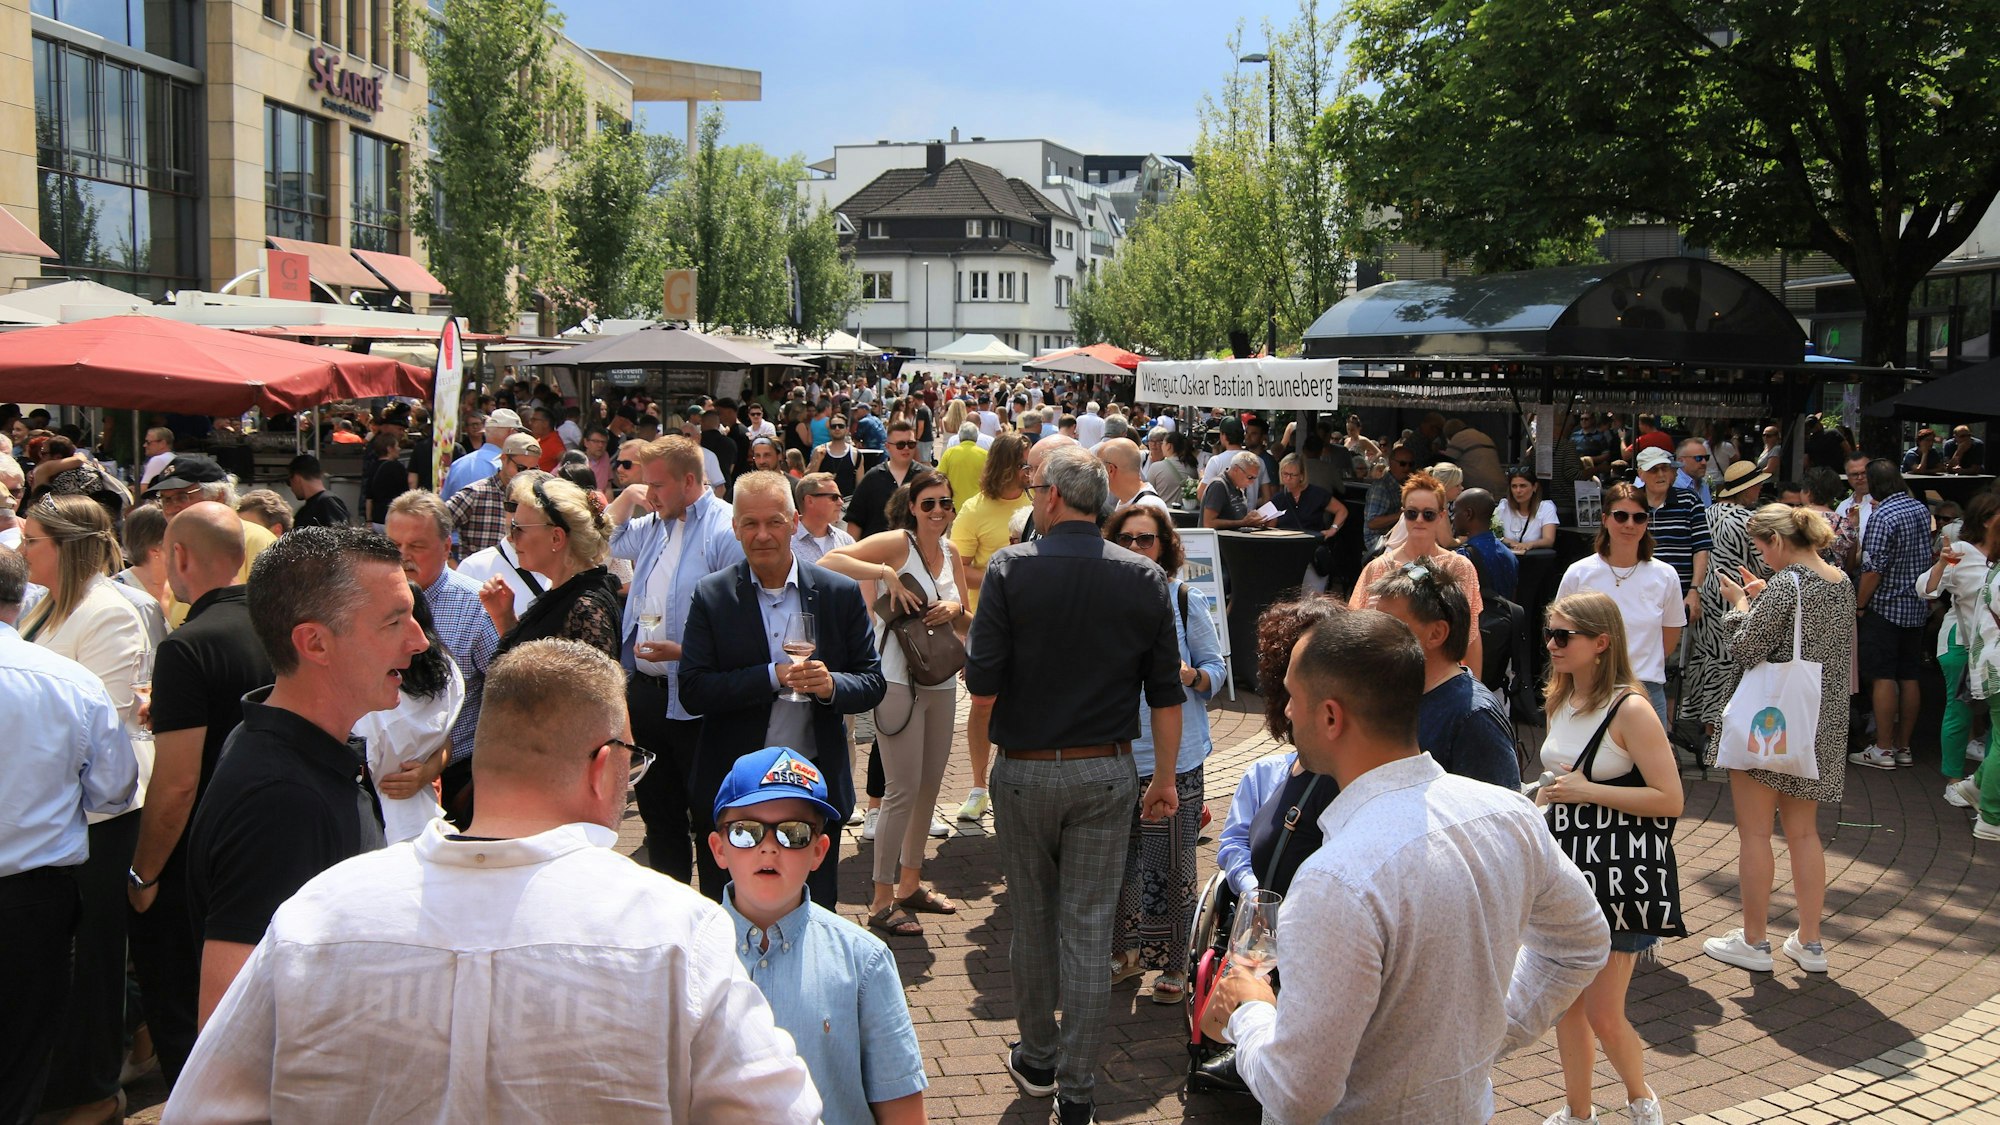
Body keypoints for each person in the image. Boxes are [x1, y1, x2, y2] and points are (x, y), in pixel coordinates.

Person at [166, 640, 821, 1123]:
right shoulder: (676, 929)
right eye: (630, 757)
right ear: (603, 768)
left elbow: (203, 1110)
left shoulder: (319, 913)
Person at [1200, 603, 1608, 1123]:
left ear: (1330, 716)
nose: (1287, 714)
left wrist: (1249, 1009)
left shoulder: (1335, 879)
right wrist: (1482, 1037)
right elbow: (1582, 943)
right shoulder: (1509, 815)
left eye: (1294, 699)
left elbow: (1297, 1093)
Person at [964, 445, 1183, 1124]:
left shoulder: (1009, 568)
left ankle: (1037, 1055)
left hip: (1027, 768)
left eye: (1034, 489)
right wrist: (1167, 777)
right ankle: (1079, 1087)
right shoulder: (1144, 576)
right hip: (1108, 765)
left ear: (1053, 497)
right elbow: (1166, 695)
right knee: (1088, 929)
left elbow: (982, 683)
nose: (1032, 497)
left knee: (1033, 917)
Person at [183, 527, 428, 1026]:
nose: (419, 640)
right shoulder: (282, 801)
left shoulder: (292, 755)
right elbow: (229, 1018)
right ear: (314, 642)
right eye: (394, 621)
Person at [679, 471, 885, 907]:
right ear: (734, 527)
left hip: (812, 784)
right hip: (736, 787)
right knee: (731, 914)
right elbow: (694, 690)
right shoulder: (713, 596)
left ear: (794, 522)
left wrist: (830, 685)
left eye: (773, 522)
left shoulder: (837, 593)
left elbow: (871, 681)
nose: (762, 535)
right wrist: (773, 677)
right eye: (749, 524)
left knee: (813, 911)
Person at [126, 502, 273, 1089]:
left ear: (178, 556)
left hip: (196, 863)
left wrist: (142, 874)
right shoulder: (279, 627)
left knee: (189, 1026)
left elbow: (178, 781)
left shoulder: (186, 646)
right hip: (268, 842)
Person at [708, 747, 929, 1125]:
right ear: (719, 848)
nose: (768, 846)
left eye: (793, 833)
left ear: (819, 851)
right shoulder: (682, 955)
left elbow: (902, 1108)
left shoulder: (864, 960)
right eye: (746, 831)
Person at [17, 494, 148, 1124]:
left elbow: (111, 730)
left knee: (91, 960)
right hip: (55, 815)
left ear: (65, 546)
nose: (22, 550)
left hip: (94, 821)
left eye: (32, 540)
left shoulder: (107, 612)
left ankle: (90, 1091)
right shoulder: (47, 603)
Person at [1533, 592, 1685, 1125]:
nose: (1551, 644)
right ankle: (1579, 1113)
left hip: (1616, 876)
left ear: (1600, 643)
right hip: (1566, 869)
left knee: (1602, 1010)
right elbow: (1564, 779)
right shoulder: (1562, 697)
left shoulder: (1632, 708)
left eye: (1562, 635)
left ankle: (1641, 1100)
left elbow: (1671, 800)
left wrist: (1588, 791)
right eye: (1549, 632)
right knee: (1566, 1007)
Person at [1702, 504, 1854, 972]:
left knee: (1754, 834)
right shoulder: (1840, 582)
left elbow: (1745, 648)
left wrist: (1741, 606)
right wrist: (1762, 598)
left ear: (1780, 540)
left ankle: (1754, 942)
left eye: (1763, 545)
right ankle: (1810, 944)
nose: (1761, 554)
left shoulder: (1787, 583)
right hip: (1818, 724)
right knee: (1804, 833)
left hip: (1772, 723)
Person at [818, 470, 967, 939]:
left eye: (945, 503)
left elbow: (964, 617)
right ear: (912, 506)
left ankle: (910, 884)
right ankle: (882, 901)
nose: (938, 512)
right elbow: (829, 560)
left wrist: (954, 611)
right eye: (929, 504)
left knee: (928, 788)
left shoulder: (951, 552)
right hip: (897, 680)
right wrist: (883, 573)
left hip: (939, 680)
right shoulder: (895, 544)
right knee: (901, 790)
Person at [1101, 506, 1225, 1005]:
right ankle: (1124, 953)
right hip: (1113, 751)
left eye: (1145, 540)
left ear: (1165, 547)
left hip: (1175, 757)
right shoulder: (1099, 601)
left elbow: (1216, 672)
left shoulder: (1182, 598)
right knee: (1117, 859)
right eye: (1125, 540)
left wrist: (1187, 674)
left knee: (1170, 861)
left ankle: (1173, 963)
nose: (1135, 549)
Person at [612, 436, 744, 885]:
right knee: (658, 817)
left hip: (697, 700)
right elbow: (607, 538)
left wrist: (685, 653)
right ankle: (670, 920)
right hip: (648, 695)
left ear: (690, 480)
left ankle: (713, 924)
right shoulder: (655, 524)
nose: (649, 494)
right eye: (645, 484)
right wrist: (630, 496)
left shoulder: (725, 530)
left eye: (657, 485)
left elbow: (746, 626)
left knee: (711, 821)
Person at [1368, 558, 1521, 788]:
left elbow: (1502, 817)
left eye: (1390, 625)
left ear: (1436, 633)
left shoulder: (1474, 717)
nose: (1374, 636)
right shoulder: (1394, 693)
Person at [1555, 482, 1687, 728]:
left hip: (1645, 691)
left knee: (1649, 767)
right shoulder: (1579, 573)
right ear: (1605, 519)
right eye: (1621, 516)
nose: (1630, 524)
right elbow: (1559, 633)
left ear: (1647, 522)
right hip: (1589, 689)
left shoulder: (1665, 575)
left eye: (1639, 517)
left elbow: (1668, 641)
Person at [355, 585, 462, 843]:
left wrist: (427, 771)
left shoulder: (369, 690)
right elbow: (446, 739)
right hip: (421, 820)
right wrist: (429, 770)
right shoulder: (447, 672)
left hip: (378, 824)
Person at [1351, 470, 1486, 671]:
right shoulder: (1378, 567)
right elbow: (1355, 631)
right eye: (1412, 513)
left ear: (1441, 516)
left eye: (1428, 514)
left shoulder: (1458, 567)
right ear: (1403, 514)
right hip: (1390, 674)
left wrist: (1474, 689)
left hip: (1442, 678)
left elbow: (1470, 635)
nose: (1419, 520)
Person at [480, 473, 620, 662]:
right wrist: (504, 618)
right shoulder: (565, 593)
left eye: (519, 528)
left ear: (556, 538)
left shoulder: (585, 610)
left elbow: (591, 689)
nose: (511, 538)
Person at [1853, 459, 1933, 769]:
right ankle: (1903, 746)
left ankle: (1883, 748)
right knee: (1909, 676)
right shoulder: (1918, 509)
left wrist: (1860, 604)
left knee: (1883, 677)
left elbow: (1873, 569)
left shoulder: (1882, 515)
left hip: (1885, 607)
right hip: (1915, 605)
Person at [1683, 461, 1774, 733]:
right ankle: (1719, 723)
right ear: (1745, 489)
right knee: (1729, 657)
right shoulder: (1749, 521)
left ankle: (1703, 716)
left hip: (1704, 591)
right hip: (1733, 595)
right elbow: (1766, 565)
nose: (1760, 489)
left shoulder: (1707, 512)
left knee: (1707, 652)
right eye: (1756, 485)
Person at [1635, 447, 1711, 616]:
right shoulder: (1631, 503)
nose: (1661, 474)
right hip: (1637, 595)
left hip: (1680, 597)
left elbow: (1701, 549)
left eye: (1665, 468)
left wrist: (1694, 591)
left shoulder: (1690, 501)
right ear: (1641, 474)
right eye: (1654, 469)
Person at [445, 432, 540, 563]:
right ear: (504, 459)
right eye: (521, 468)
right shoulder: (475, 494)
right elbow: (435, 527)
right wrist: (451, 564)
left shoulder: (536, 498)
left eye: (533, 469)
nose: (526, 474)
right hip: (478, 579)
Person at [847, 418, 921, 539]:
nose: (906, 448)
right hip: (876, 552)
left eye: (911, 444)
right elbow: (855, 520)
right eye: (900, 445)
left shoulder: (925, 478)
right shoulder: (872, 478)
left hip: (916, 552)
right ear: (888, 447)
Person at [439, 406, 521, 502]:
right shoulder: (506, 467)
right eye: (519, 432)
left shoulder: (458, 464)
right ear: (511, 432)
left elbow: (444, 505)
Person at [1452, 486, 1517, 602]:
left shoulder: (1464, 556)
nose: (1453, 518)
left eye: (1455, 512)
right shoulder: (1509, 554)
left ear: (1468, 514)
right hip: (1505, 618)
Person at [791, 471, 856, 566]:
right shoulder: (787, 542)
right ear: (810, 501)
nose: (841, 502)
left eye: (841, 497)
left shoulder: (845, 540)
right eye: (834, 497)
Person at [1363, 444, 1418, 551]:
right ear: (1391, 463)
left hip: (1398, 536)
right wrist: (1401, 515)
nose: (1407, 468)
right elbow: (1372, 523)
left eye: (1410, 464)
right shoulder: (1381, 488)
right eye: (1402, 464)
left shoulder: (1407, 485)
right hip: (1380, 541)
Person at [1202, 451, 1272, 530]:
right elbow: (1208, 523)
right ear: (1236, 469)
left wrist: (1254, 520)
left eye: (1254, 478)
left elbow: (1238, 518)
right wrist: (1243, 522)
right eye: (1249, 477)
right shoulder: (1218, 485)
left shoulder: (1238, 486)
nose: (1252, 482)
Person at [1100, 437, 1170, 512]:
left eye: (1100, 467)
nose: (1098, 473)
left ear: (1111, 470)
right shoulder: (1129, 500)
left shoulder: (1145, 508)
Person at [1501, 468, 1561, 554]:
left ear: (1534, 487)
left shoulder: (1546, 508)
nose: (1518, 491)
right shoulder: (1503, 506)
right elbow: (1494, 535)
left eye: (1523, 486)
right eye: (1514, 486)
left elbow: (1548, 540)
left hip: (1533, 560)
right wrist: (1511, 543)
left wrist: (1530, 545)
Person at [284, 454, 349, 529]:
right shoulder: (304, 511)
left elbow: (342, 536)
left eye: (289, 482)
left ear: (296, 478)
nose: (291, 488)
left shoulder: (327, 502)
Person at [937, 422, 989, 508]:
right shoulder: (985, 455)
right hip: (977, 505)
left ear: (959, 437)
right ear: (976, 437)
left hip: (953, 505)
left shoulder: (949, 453)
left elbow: (939, 476)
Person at [1673, 438, 1714, 506]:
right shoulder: (1673, 486)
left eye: (1706, 458)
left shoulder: (1704, 485)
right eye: (1698, 458)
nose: (1704, 462)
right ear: (1681, 461)